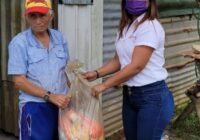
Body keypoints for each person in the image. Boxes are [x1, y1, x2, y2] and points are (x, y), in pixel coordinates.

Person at [83, 0, 174, 140]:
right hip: (130, 95)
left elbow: (136, 66)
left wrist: (104, 85)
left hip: (152, 96)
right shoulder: (125, 27)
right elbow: (118, 61)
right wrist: (96, 73)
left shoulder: (150, 26)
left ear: (150, 2)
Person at [8, 0, 71, 139]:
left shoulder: (59, 38)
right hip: (35, 107)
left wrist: (77, 95)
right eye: (33, 16)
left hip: (62, 105)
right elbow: (19, 81)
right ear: (26, 17)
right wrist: (50, 96)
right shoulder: (19, 43)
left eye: (42, 15)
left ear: (51, 15)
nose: (38, 21)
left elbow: (65, 71)